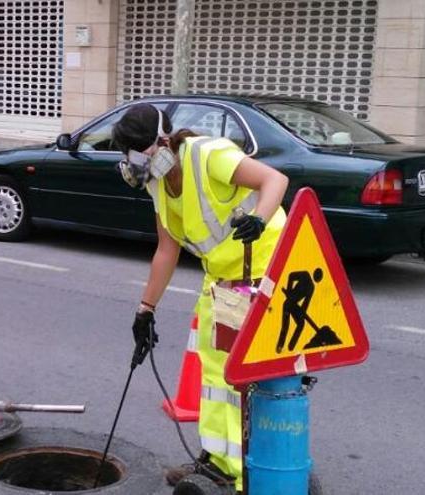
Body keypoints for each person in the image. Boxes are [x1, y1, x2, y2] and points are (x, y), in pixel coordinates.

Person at [112, 103, 288, 492]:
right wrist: (146, 309)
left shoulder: (209, 154)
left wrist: (258, 217)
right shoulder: (157, 183)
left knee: (242, 373)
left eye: (134, 151)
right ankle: (217, 458)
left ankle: (247, 472)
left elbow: (275, 180)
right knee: (213, 368)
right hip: (224, 277)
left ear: (161, 142)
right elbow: (166, 249)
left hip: (264, 270)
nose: (131, 162)